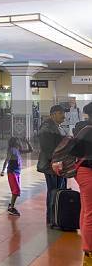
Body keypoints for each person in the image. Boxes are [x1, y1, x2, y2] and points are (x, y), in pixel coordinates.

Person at [69, 102, 92, 262]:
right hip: (87, 172)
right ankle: (89, 251)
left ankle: (87, 249)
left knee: (86, 210)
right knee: (90, 213)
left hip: (82, 171)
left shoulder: (84, 129)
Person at [37, 104, 67, 225]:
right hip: (51, 166)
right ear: (53, 114)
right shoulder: (46, 128)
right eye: (61, 114)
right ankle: (51, 217)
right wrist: (57, 162)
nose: (64, 116)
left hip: (58, 164)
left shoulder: (57, 127)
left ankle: (58, 216)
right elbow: (48, 149)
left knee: (58, 190)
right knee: (53, 191)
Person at [0, 137, 32, 216]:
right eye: (19, 141)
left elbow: (31, 150)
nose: (20, 142)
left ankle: (11, 205)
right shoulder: (12, 150)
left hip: (17, 173)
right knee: (16, 190)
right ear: (15, 142)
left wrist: (27, 142)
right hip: (12, 172)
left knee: (16, 191)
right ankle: (11, 208)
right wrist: (2, 170)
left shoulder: (18, 150)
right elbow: (6, 160)